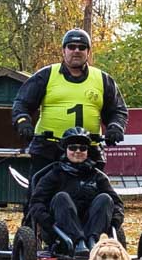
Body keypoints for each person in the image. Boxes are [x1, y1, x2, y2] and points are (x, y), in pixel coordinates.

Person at [12, 28, 129, 173]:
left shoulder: (103, 79)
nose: (76, 51)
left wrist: (115, 127)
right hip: (48, 150)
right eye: (71, 47)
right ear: (63, 50)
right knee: (40, 193)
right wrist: (23, 122)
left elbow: (118, 110)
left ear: (88, 51)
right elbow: (21, 103)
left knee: (100, 194)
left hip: (88, 151)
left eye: (82, 47)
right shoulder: (46, 75)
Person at [28, 127, 124, 257]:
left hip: (94, 231)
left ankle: (91, 242)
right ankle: (79, 242)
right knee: (62, 197)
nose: (77, 151)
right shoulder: (54, 174)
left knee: (105, 198)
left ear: (87, 151)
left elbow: (117, 204)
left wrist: (114, 223)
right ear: (66, 150)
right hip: (60, 233)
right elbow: (36, 203)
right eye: (73, 148)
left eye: (82, 148)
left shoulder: (97, 176)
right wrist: (49, 223)